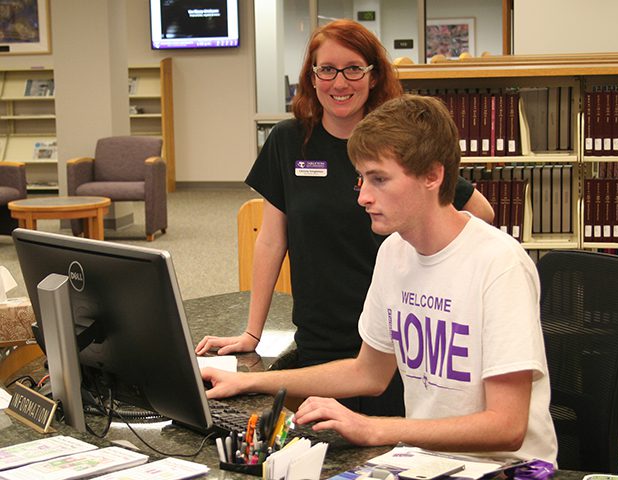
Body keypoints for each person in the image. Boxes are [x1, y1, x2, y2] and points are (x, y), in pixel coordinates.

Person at [201, 94, 557, 464]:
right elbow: (367, 372)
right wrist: (250, 382)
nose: (363, 197)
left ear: (433, 176)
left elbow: (507, 426)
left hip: (506, 470)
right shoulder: (394, 252)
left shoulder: (499, 265)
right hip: (429, 463)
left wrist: (375, 428)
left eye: (379, 180)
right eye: (362, 179)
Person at [195, 20, 494, 416]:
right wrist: (253, 331)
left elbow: (480, 213)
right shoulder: (288, 142)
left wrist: (441, 293)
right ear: (312, 77)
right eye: (327, 69)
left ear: (373, 77)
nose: (340, 82)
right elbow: (270, 240)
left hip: (396, 342)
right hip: (321, 337)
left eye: (354, 69)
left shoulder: (398, 144)